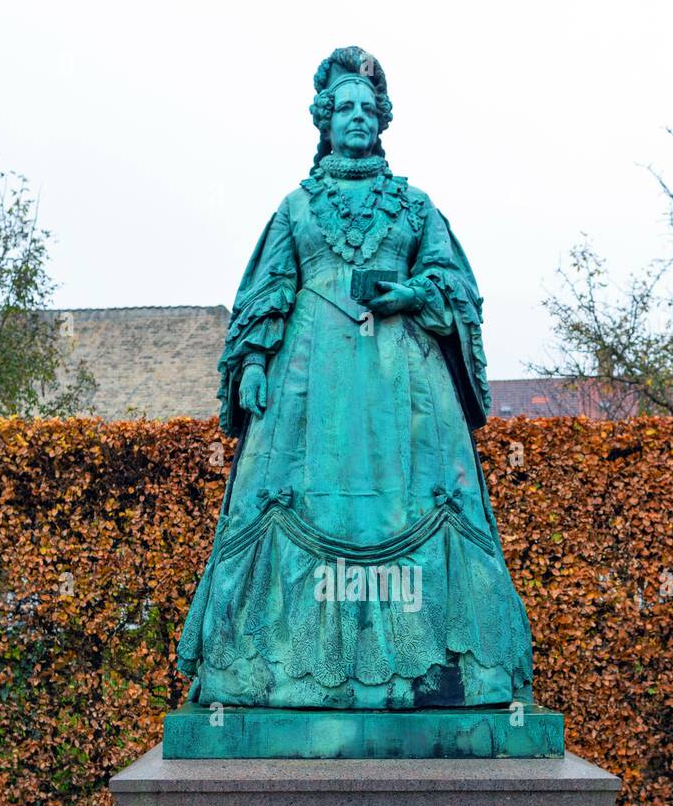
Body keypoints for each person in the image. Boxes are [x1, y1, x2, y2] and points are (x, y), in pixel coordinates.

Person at [177, 46, 533, 709]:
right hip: (306, 396)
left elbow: (457, 286)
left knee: (428, 507)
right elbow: (267, 289)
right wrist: (252, 362)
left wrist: (413, 293)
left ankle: (448, 678)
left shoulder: (414, 205)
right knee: (280, 502)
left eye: (368, 109)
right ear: (323, 120)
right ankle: (264, 676)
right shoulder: (295, 207)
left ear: (382, 119)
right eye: (344, 108)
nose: (357, 118)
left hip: (405, 392)